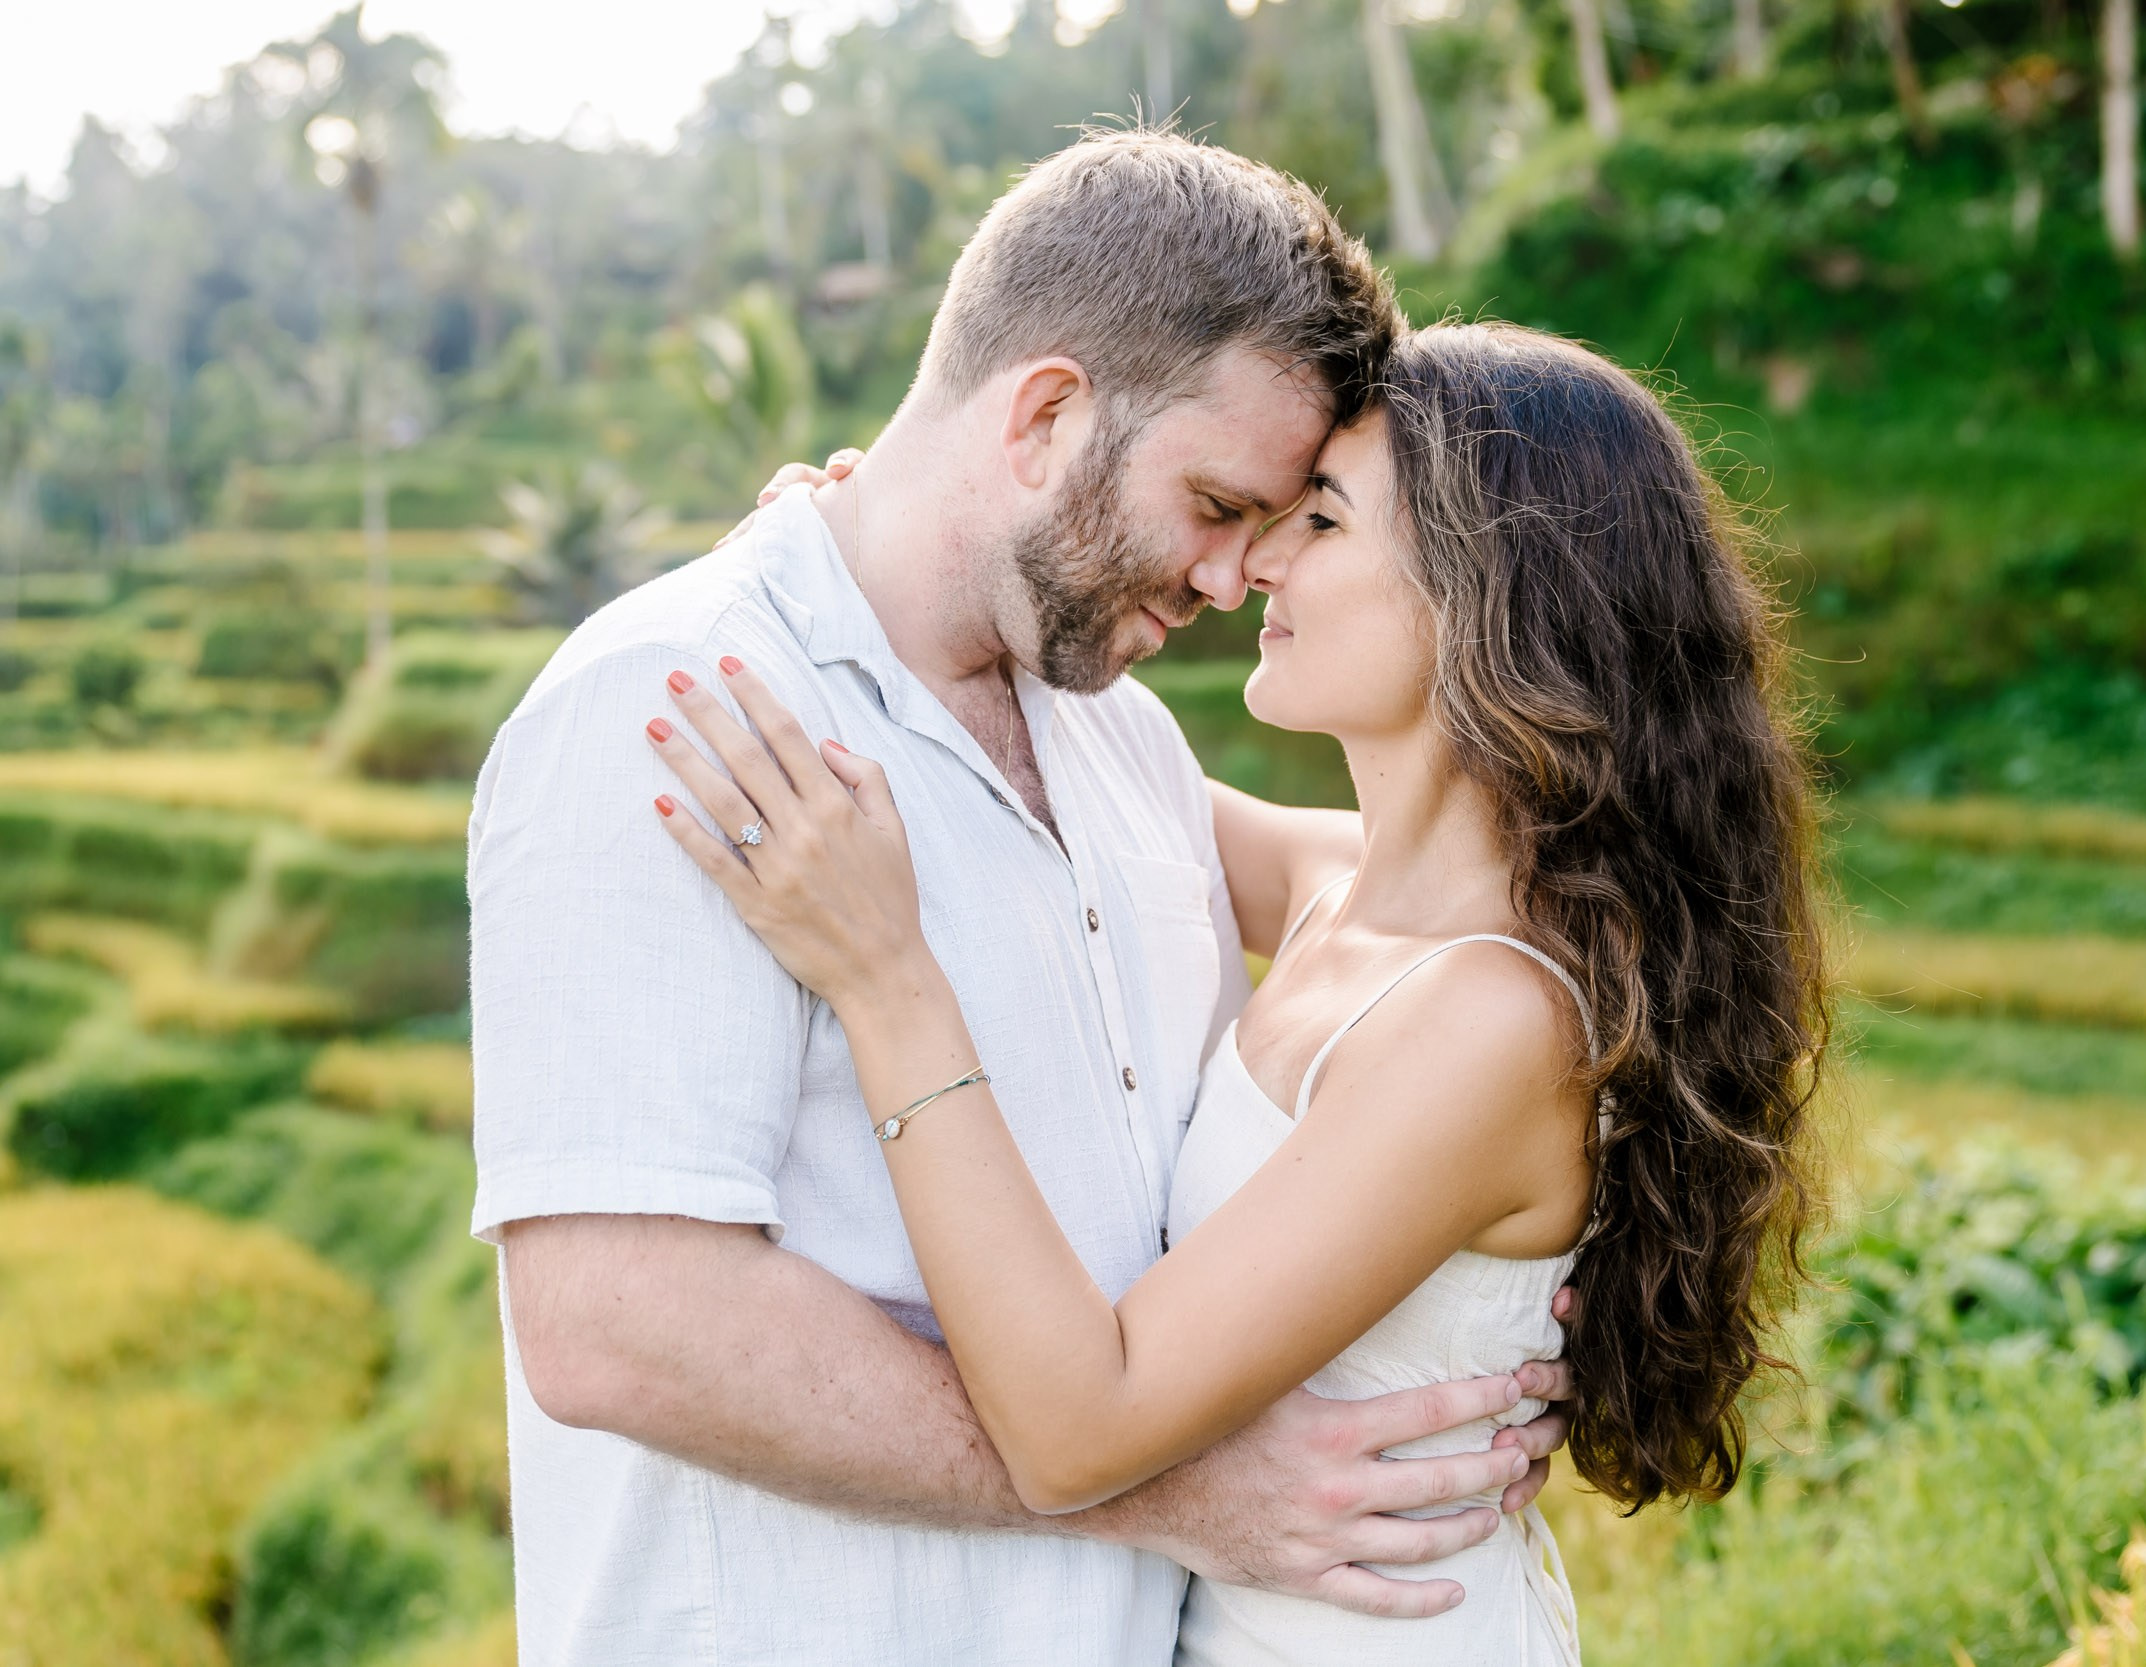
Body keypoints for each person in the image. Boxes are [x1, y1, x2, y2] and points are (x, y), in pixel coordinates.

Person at [467, 135, 1573, 1667]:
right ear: (1047, 414)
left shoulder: (1122, 738)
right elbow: (615, 1326)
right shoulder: (683, 704)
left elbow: (1454, 919)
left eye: (1287, 526)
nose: (1230, 578)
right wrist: (1163, 1494)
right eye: (1217, 503)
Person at [646, 320, 1834, 1663]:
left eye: (1318, 520)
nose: (1257, 557)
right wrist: (902, 549)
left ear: (1488, 591)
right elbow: (1031, 773)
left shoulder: (1495, 1022)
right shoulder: (1350, 887)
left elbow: (1076, 1430)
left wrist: (886, 982)